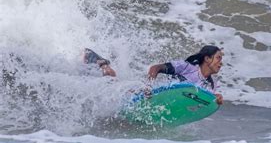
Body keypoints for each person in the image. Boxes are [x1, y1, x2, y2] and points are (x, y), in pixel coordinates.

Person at [83, 46, 224, 105]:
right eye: (218, 58)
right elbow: (155, 68)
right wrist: (148, 87)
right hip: (149, 94)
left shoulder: (211, 84)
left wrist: (215, 99)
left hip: (164, 103)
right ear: (207, 59)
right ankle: (102, 63)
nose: (220, 63)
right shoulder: (187, 67)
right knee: (111, 83)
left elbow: (203, 100)